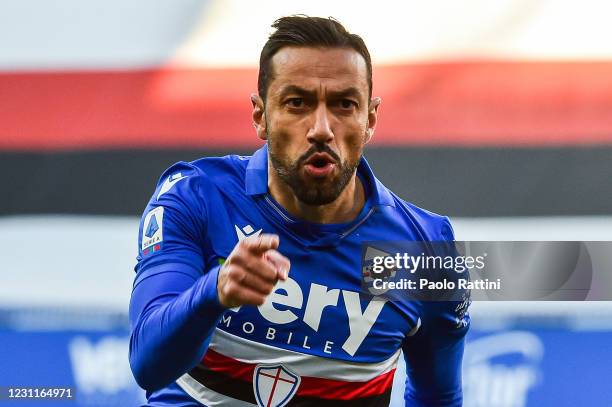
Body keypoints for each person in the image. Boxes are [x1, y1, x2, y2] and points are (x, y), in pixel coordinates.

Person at [129, 15, 470, 407]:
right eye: (297, 103)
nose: (322, 127)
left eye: (344, 104)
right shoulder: (198, 197)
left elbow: (438, 397)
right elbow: (147, 365)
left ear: (370, 119)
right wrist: (215, 291)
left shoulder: (425, 251)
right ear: (261, 115)